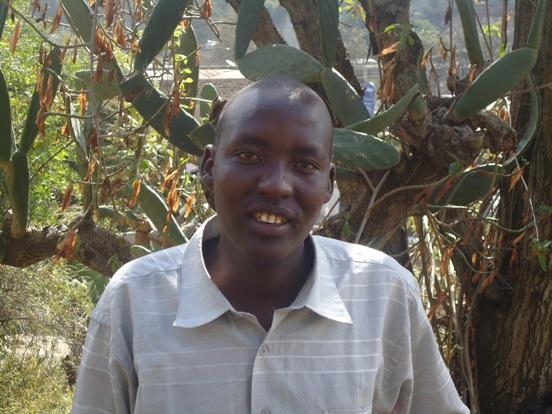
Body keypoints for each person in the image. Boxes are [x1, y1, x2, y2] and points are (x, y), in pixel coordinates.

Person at [71, 77, 469, 414]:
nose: (277, 185)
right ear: (209, 167)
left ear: (328, 184)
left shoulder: (384, 295)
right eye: (249, 156)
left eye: (305, 165)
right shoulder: (134, 301)